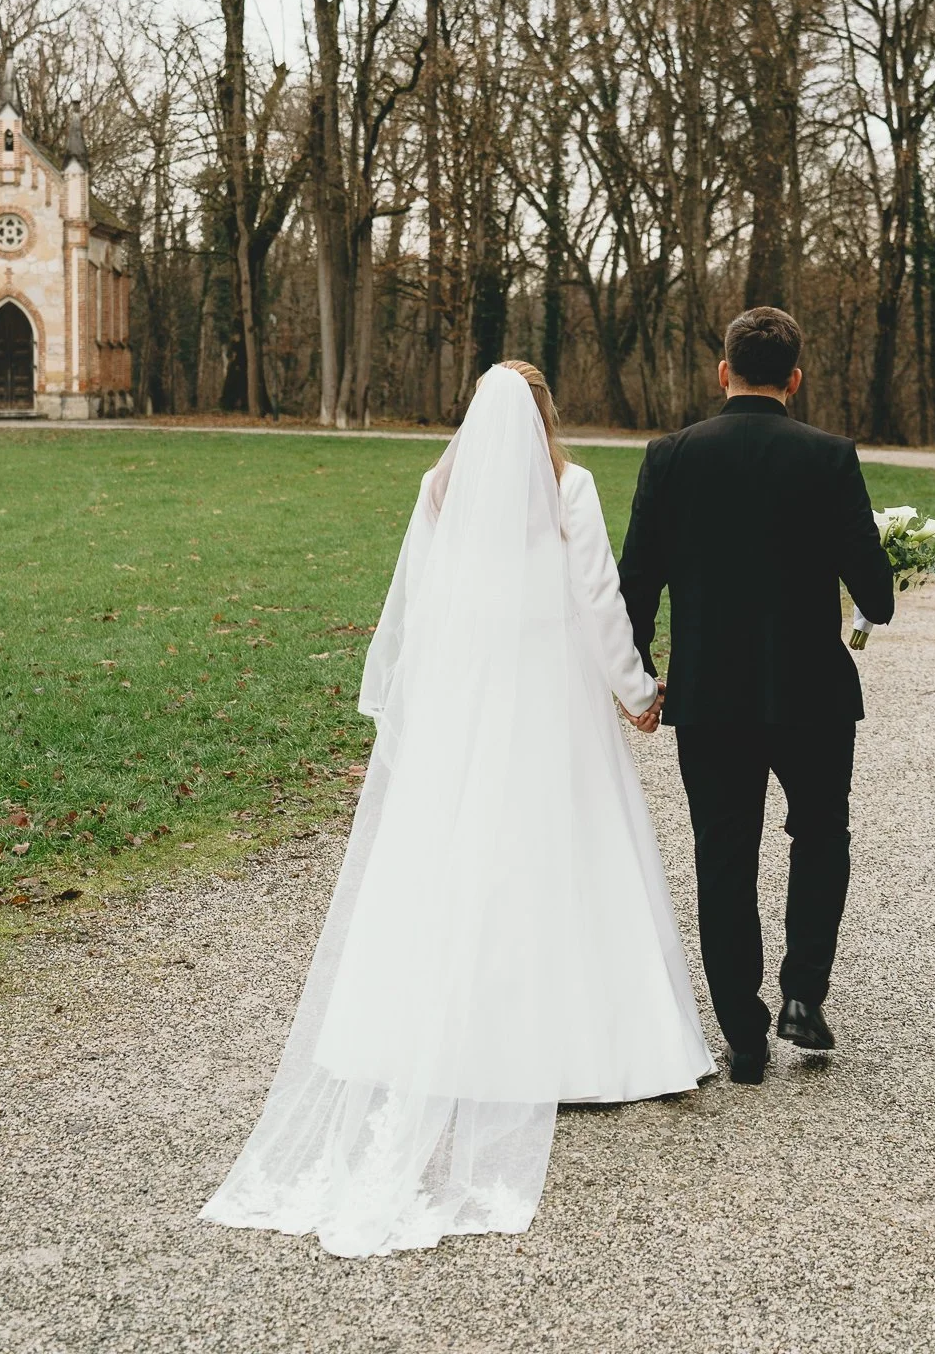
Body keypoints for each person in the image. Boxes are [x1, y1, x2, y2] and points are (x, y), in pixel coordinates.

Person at [200, 360, 712, 1257]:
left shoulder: (440, 487)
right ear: (547, 416)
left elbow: (421, 608)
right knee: (563, 853)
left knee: (453, 855)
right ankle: (583, 1047)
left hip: (467, 700)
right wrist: (634, 689)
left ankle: (430, 1033)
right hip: (549, 695)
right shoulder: (572, 484)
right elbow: (598, 598)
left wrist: (434, 701)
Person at [617, 306, 894, 1086]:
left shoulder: (669, 458)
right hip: (813, 696)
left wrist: (639, 681)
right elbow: (877, 592)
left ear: (723, 372)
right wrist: (880, 561)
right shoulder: (830, 457)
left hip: (710, 699)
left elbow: (634, 587)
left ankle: (742, 1034)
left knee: (723, 859)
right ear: (795, 379)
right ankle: (803, 995)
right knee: (820, 836)